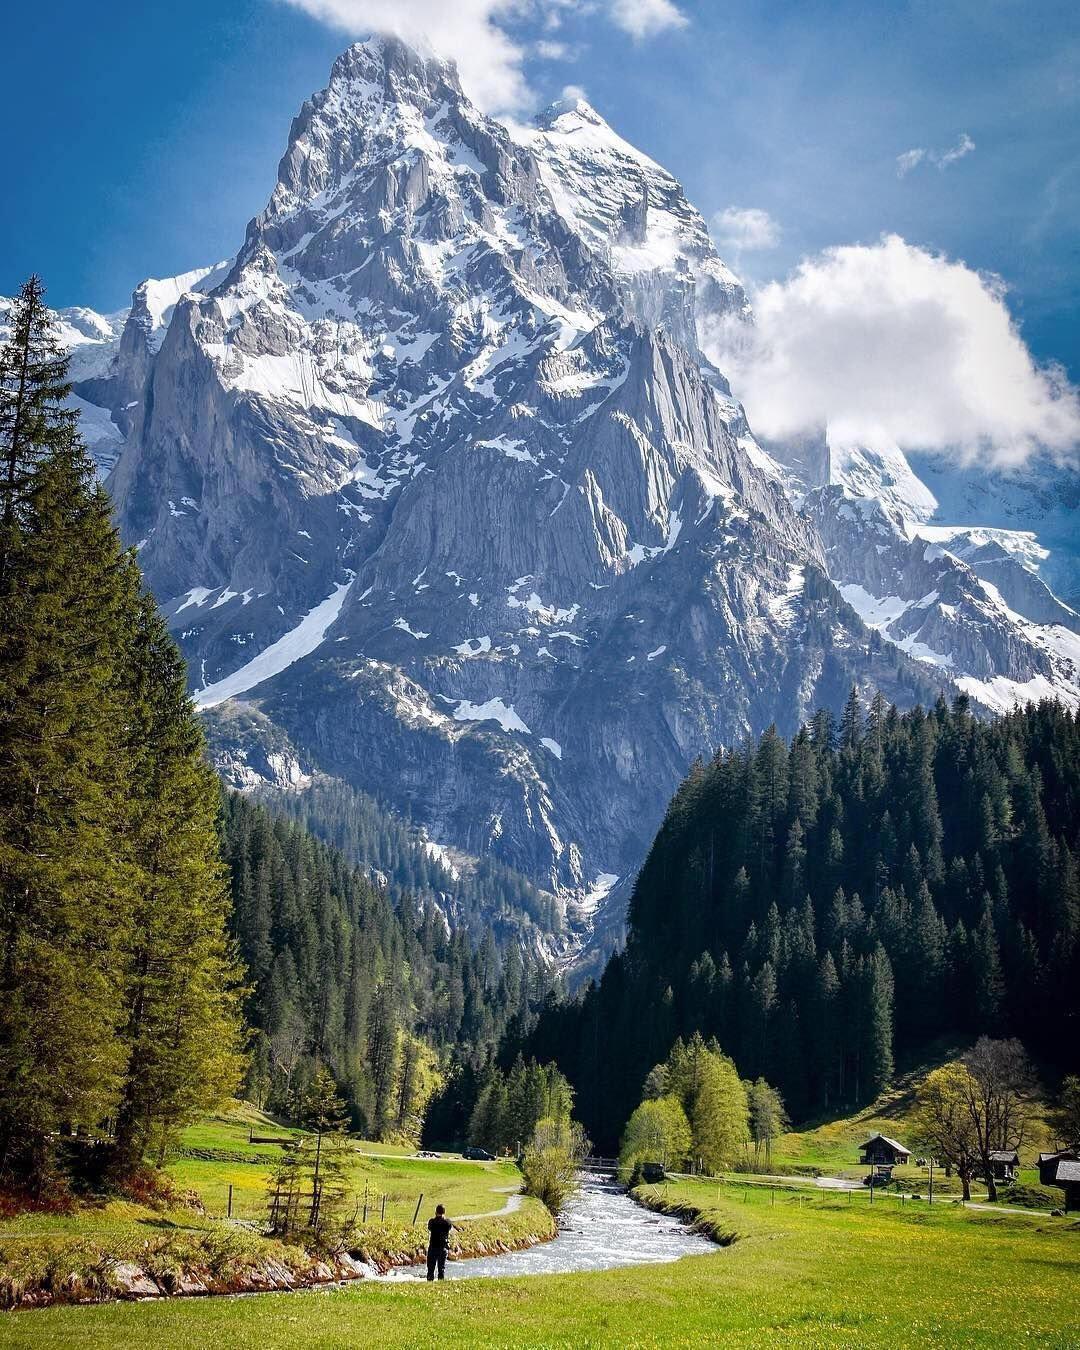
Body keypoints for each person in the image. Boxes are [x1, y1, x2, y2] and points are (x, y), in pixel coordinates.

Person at [426, 1203, 454, 1281]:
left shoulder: (432, 1221)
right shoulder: (447, 1222)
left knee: (430, 1270)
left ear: (436, 1212)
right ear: (444, 1212)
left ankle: (429, 1282)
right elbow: (449, 1226)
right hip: (443, 1248)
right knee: (441, 1269)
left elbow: (430, 1227)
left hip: (433, 1248)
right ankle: (440, 1283)